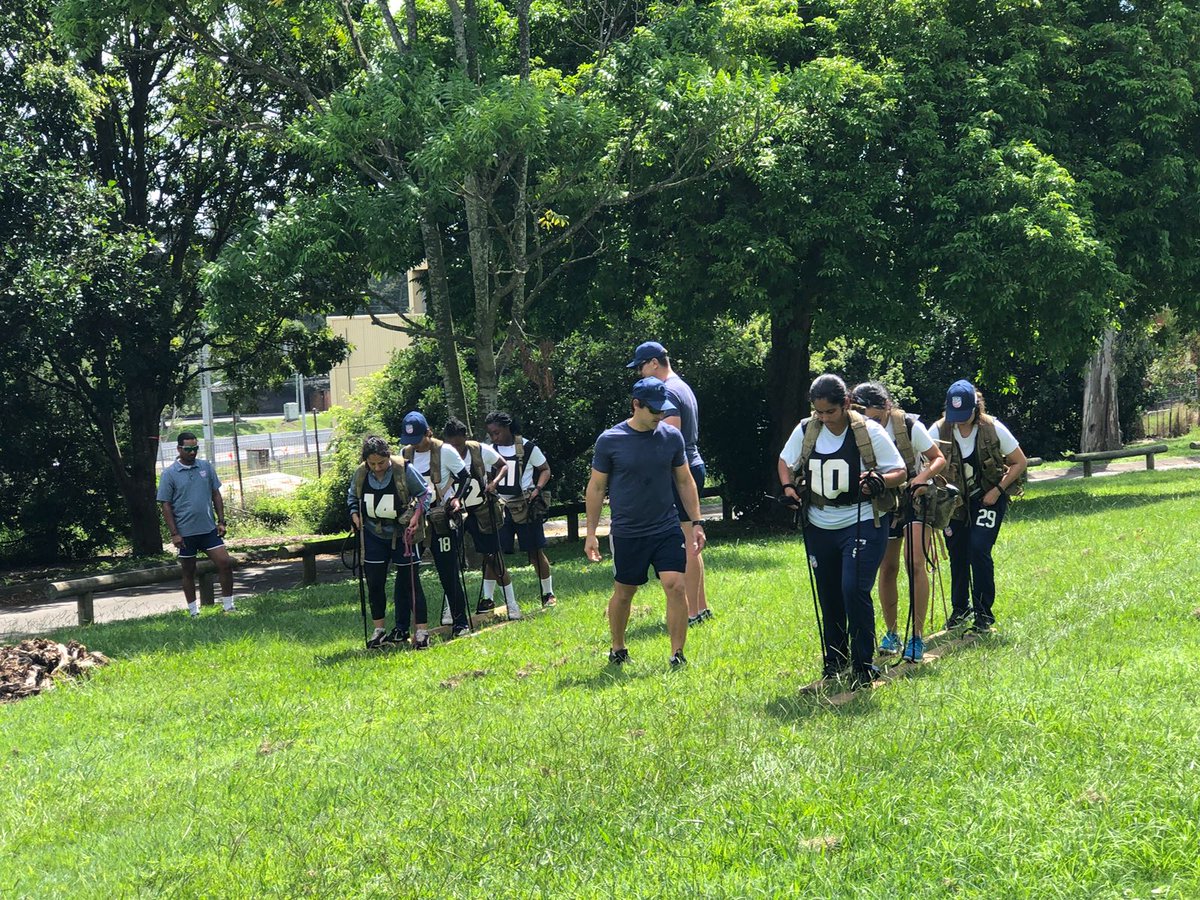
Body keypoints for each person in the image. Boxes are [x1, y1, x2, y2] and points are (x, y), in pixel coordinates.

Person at [777, 375, 907, 688]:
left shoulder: (868, 431)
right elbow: (785, 461)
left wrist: (880, 481)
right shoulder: (807, 430)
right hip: (819, 524)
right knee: (829, 595)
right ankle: (834, 664)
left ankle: (864, 668)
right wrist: (788, 487)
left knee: (853, 589)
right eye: (818, 412)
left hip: (861, 520)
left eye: (829, 412)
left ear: (845, 404)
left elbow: (899, 470)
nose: (823, 418)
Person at [585, 378, 706, 668]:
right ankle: (618, 647)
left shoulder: (671, 437)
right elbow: (596, 487)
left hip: (666, 526)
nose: (659, 417)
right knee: (625, 592)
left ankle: (677, 654)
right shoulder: (610, 440)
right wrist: (590, 533)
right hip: (628, 531)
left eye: (663, 411)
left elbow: (684, 480)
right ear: (636, 405)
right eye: (654, 411)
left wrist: (697, 521)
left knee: (675, 585)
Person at [851, 381, 947, 661]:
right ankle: (892, 633)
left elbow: (937, 458)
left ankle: (916, 637)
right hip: (884, 502)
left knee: (915, 562)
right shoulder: (856, 431)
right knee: (888, 566)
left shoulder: (907, 425)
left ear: (886, 407)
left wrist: (919, 479)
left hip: (915, 498)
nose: (872, 423)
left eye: (875, 417)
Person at [928, 380, 1028, 632]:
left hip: (988, 498)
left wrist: (998, 490)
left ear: (976, 408)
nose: (959, 421)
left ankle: (984, 614)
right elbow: (926, 463)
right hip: (954, 503)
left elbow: (1019, 462)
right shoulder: (938, 431)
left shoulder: (993, 429)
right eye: (954, 416)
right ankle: (960, 610)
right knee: (957, 553)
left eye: (964, 415)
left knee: (978, 549)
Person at [627, 341, 711, 627]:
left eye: (640, 367)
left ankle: (688, 612)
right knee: (691, 542)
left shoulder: (668, 391)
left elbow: (669, 435)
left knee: (684, 544)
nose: (639, 374)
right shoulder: (682, 385)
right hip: (692, 463)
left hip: (680, 471)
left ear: (653, 362)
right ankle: (699, 608)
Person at [348, 435, 431, 649]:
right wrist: (354, 514)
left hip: (403, 534)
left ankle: (422, 632)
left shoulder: (403, 469)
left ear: (388, 456)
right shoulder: (361, 473)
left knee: (411, 583)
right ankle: (379, 631)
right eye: (372, 463)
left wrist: (416, 516)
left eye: (381, 463)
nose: (377, 468)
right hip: (373, 535)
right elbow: (352, 498)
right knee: (375, 584)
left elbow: (424, 494)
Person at [398, 411, 474, 637]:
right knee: (407, 572)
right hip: (415, 520)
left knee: (447, 570)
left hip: (441, 517)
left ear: (428, 433)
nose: (415, 445)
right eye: (410, 440)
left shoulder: (445, 451)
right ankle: (404, 626)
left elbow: (465, 477)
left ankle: (460, 621)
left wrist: (457, 498)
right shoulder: (404, 454)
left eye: (419, 439)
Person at [442, 417, 520, 620]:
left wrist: (494, 482)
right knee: (449, 560)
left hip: (482, 510)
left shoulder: (479, 450)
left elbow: (503, 465)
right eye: (452, 445)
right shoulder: (441, 455)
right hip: (455, 512)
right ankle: (450, 609)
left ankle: (512, 605)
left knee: (493, 556)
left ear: (465, 437)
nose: (456, 450)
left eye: (459, 444)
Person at [157, 432, 237, 617]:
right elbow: (165, 505)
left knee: (224, 563)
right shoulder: (169, 474)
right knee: (188, 571)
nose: (192, 452)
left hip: (208, 529)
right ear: (179, 449)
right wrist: (174, 533)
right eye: (188, 449)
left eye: (195, 448)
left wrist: (221, 521)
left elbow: (216, 494)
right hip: (185, 533)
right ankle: (194, 611)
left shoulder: (205, 467)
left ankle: (229, 606)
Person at [484, 410, 556, 609]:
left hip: (525, 505)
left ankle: (547, 593)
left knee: (535, 551)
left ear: (507, 428)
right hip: (500, 507)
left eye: (496, 432)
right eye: (490, 433)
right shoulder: (490, 450)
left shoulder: (527, 447)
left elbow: (545, 469)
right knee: (492, 553)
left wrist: (537, 489)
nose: (494, 437)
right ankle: (487, 598)